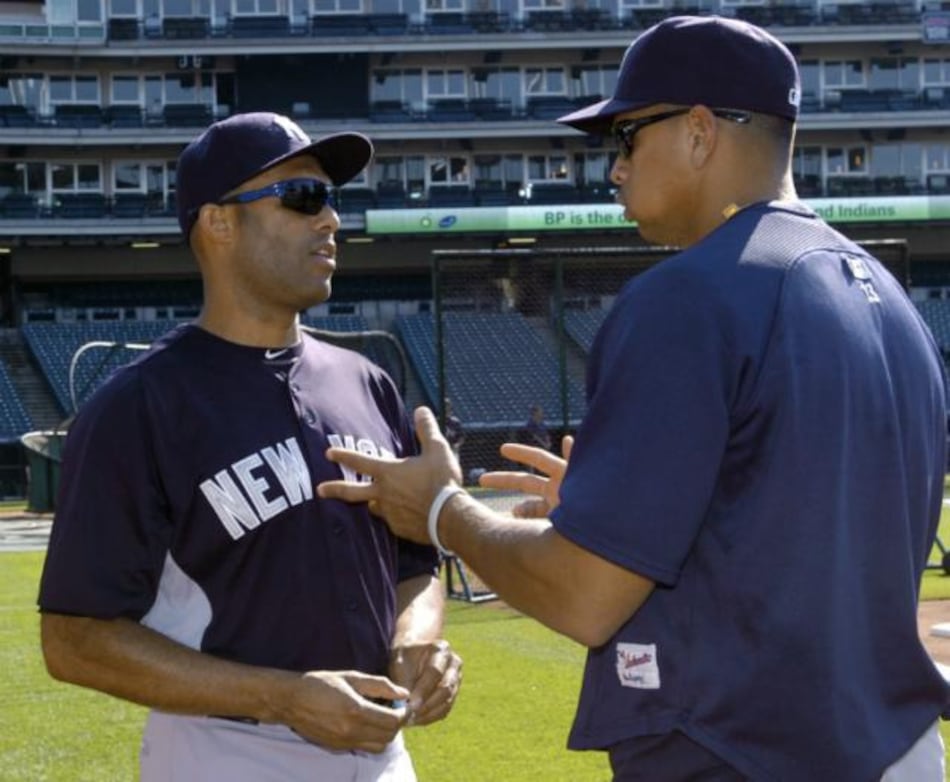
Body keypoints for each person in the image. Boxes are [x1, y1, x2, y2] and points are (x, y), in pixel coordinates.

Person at [318, 16, 950, 781]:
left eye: (626, 137)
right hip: (890, 747)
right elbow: (788, 526)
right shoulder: (888, 298)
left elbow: (587, 595)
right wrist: (612, 514)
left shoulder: (691, 295)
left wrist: (444, 510)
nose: (614, 168)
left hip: (741, 750)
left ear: (697, 131)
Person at [38, 111, 461, 782]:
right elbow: (74, 639)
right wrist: (283, 697)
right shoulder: (139, 405)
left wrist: (416, 642)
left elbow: (415, 567)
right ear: (218, 223)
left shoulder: (369, 382)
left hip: (382, 756)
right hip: (227, 753)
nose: (330, 221)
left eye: (331, 199)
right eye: (302, 197)